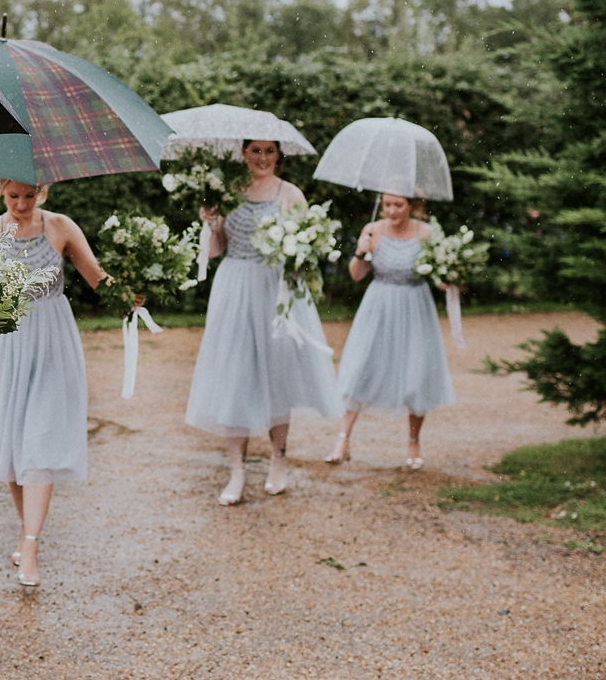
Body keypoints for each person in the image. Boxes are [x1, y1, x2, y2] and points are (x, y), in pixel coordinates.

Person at [0, 180, 108, 591]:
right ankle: (28, 535)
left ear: (41, 192)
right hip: (3, 346)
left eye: (29, 196)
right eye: (13, 197)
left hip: (52, 345)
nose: (21, 205)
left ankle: (30, 545)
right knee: (13, 441)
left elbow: (96, 278)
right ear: (1, 193)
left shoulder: (60, 227)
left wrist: (133, 287)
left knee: (40, 439)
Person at [185, 138, 340, 504]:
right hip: (235, 287)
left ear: (278, 155)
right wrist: (208, 223)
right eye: (255, 151)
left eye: (269, 151)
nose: (262, 158)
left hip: (277, 289)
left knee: (278, 372)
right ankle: (237, 470)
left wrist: (301, 256)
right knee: (234, 374)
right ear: (243, 153)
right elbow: (214, 250)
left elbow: (307, 251)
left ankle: (278, 459)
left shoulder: (291, 194)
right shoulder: (227, 191)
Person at [328, 192, 455, 469]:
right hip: (379, 306)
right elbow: (356, 274)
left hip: (414, 306)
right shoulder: (372, 230)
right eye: (387, 204)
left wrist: (451, 275)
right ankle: (342, 440)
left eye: (398, 204)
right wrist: (361, 250)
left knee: (416, 372)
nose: (392, 210)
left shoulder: (427, 233)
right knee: (362, 367)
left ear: (411, 204)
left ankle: (413, 443)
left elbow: (438, 275)